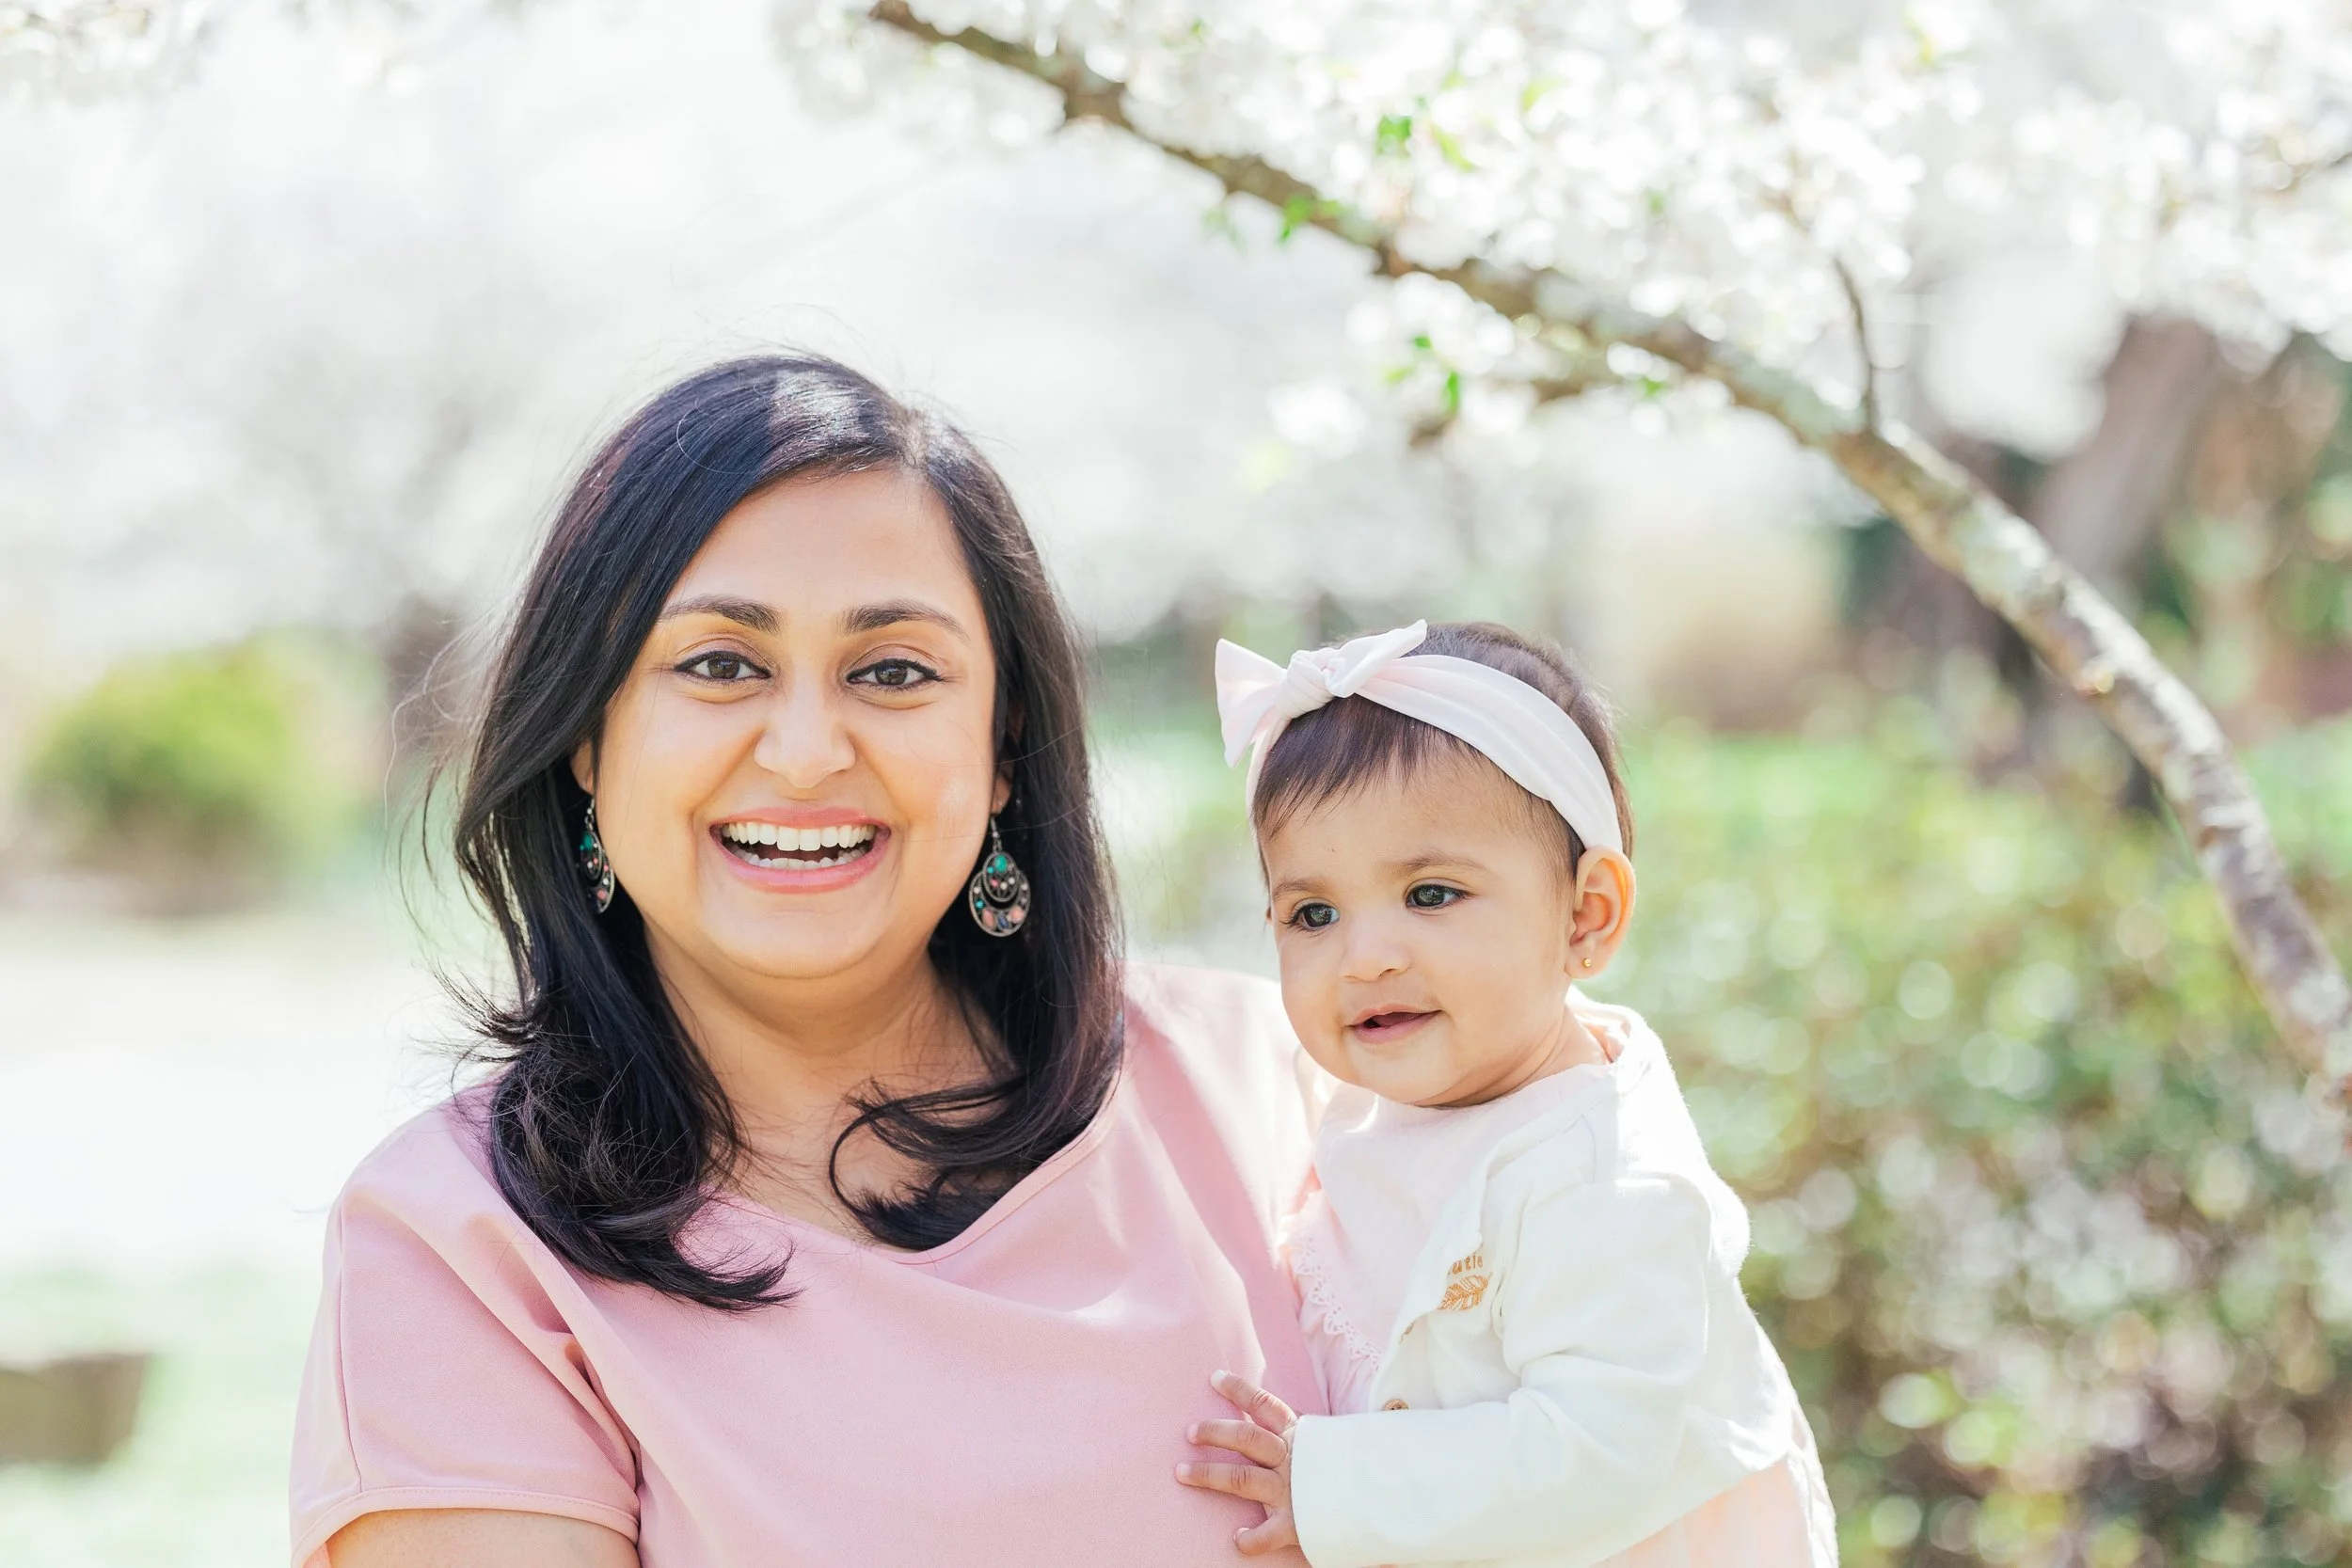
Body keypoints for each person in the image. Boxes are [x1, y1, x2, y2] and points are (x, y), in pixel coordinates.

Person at [290, 356, 1325, 1567]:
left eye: (892, 670)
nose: (802, 750)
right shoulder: (460, 1247)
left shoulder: (1286, 1087)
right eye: (720, 663)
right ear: (587, 735)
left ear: (1003, 747)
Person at [1174, 621, 1837, 1566]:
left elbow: (1595, 1450)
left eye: (1432, 894)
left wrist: (1331, 1485)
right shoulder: (1358, 1090)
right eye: (1312, 913)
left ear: (1584, 914)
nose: (1367, 956)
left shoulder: (1603, 1182)